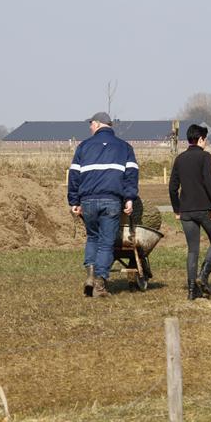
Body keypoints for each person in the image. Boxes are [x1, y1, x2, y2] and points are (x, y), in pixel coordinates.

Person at [68, 112, 139, 297]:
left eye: (91, 124)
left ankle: (90, 277)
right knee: (106, 243)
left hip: (88, 200)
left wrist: (74, 201)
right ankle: (100, 285)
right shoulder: (125, 147)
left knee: (92, 238)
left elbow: (74, 175)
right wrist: (129, 198)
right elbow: (131, 175)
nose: (90, 127)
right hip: (112, 200)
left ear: (98, 124)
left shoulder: (83, 146)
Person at [168, 124, 211, 300]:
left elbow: (172, 188)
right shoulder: (205, 157)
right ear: (200, 139)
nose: (206, 143)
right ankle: (203, 276)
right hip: (204, 209)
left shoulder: (180, 159)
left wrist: (177, 209)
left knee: (193, 250)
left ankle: (192, 291)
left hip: (186, 211)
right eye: (205, 140)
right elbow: (209, 183)